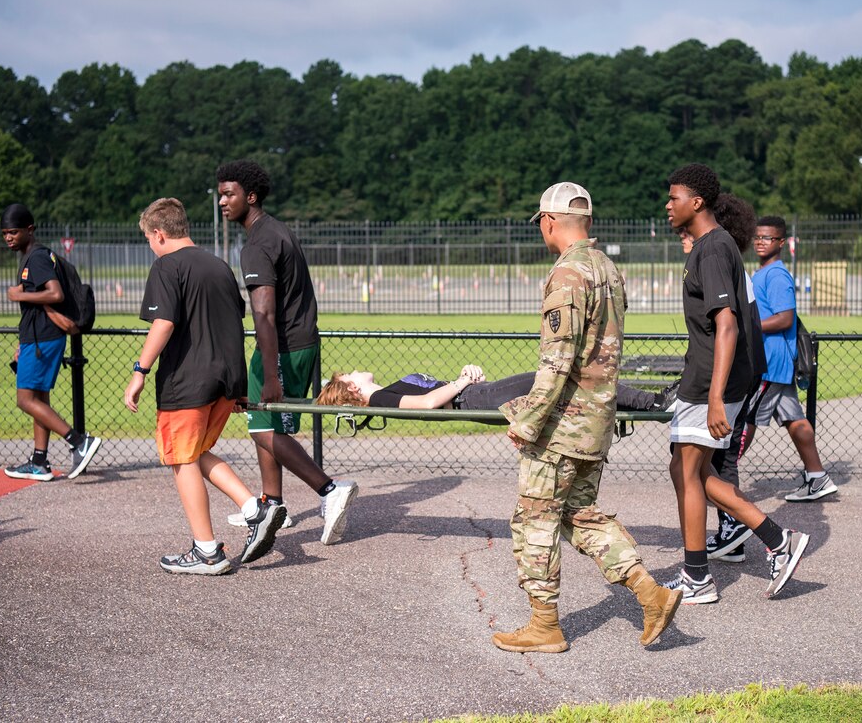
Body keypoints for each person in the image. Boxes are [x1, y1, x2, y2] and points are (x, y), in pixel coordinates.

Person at [490, 182, 682, 653]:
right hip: (596, 422)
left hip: (561, 425)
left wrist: (527, 422)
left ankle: (544, 626)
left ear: (549, 222)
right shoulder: (608, 269)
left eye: (540, 223)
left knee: (533, 520)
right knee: (578, 516)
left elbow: (558, 361)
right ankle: (651, 594)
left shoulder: (569, 274)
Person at [664, 164, 809, 604]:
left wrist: (713, 397)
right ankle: (774, 539)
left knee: (689, 472)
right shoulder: (721, 245)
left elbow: (727, 327)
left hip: (713, 379)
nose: (668, 206)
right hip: (718, 376)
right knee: (686, 469)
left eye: (674, 198)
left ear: (697, 202)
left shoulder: (710, 250)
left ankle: (701, 577)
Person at [123, 198, 284, 575]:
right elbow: (233, 324)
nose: (150, 245)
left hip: (188, 381)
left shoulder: (167, 266)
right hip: (225, 380)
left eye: (149, 238)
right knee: (196, 452)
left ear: (159, 234)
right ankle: (255, 509)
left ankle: (207, 551)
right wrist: (238, 384)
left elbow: (163, 324)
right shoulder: (218, 265)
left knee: (181, 458)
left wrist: (139, 371)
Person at [216, 160, 357, 545]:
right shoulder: (277, 230)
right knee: (270, 426)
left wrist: (272, 373)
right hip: (299, 341)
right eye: (220, 194)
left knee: (262, 428)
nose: (221, 201)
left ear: (251, 196)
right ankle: (272, 503)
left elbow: (263, 312)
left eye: (229, 194)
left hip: (282, 346)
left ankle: (329, 490)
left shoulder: (258, 244)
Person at [1, 203, 101, 482]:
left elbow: (55, 294)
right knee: (39, 399)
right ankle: (39, 462)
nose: (8, 237)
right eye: (4, 233)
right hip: (38, 337)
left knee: (25, 400)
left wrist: (18, 296)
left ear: (29, 230)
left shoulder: (38, 258)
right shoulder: (32, 257)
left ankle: (79, 441)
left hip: (43, 339)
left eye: (13, 232)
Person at [744, 215, 837, 502]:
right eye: (757, 237)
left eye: (768, 238)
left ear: (781, 242)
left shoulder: (776, 275)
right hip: (774, 362)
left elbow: (785, 320)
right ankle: (818, 477)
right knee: (795, 421)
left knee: (744, 419)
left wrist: (748, 327)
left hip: (771, 363)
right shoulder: (764, 273)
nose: (761, 242)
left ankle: (720, 479)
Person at [316, 367, 676, 412]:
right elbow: (427, 404)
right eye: (348, 374)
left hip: (474, 392)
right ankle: (656, 402)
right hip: (476, 398)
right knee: (562, 377)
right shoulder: (377, 397)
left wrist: (464, 375)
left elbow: (434, 393)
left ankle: (654, 402)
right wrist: (462, 383)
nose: (353, 370)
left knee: (566, 381)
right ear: (349, 386)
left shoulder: (383, 390)